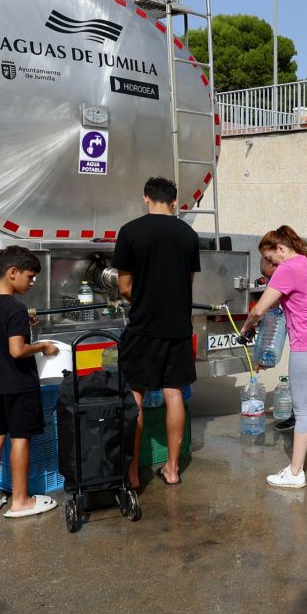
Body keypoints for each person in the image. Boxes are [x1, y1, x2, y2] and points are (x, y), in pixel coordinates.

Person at [242, 227, 307, 488]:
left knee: (302, 412)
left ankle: (295, 472)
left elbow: (260, 309)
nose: (272, 265)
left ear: (281, 248)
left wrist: (247, 327)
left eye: (271, 258)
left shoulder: (288, 268)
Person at [115, 176, 200, 488]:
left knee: (135, 394)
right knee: (174, 393)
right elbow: (187, 286)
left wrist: (144, 299)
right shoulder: (189, 235)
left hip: (143, 328)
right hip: (177, 327)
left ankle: (134, 473)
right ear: (175, 202)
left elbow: (125, 286)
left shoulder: (130, 232)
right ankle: (173, 468)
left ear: (145, 198)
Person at [0, 247, 61, 519]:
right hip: (17, 386)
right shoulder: (15, 308)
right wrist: (42, 346)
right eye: (30, 276)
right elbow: (16, 350)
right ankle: (20, 501)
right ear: (13, 272)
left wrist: (25, 323)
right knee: (21, 440)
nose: (32, 282)